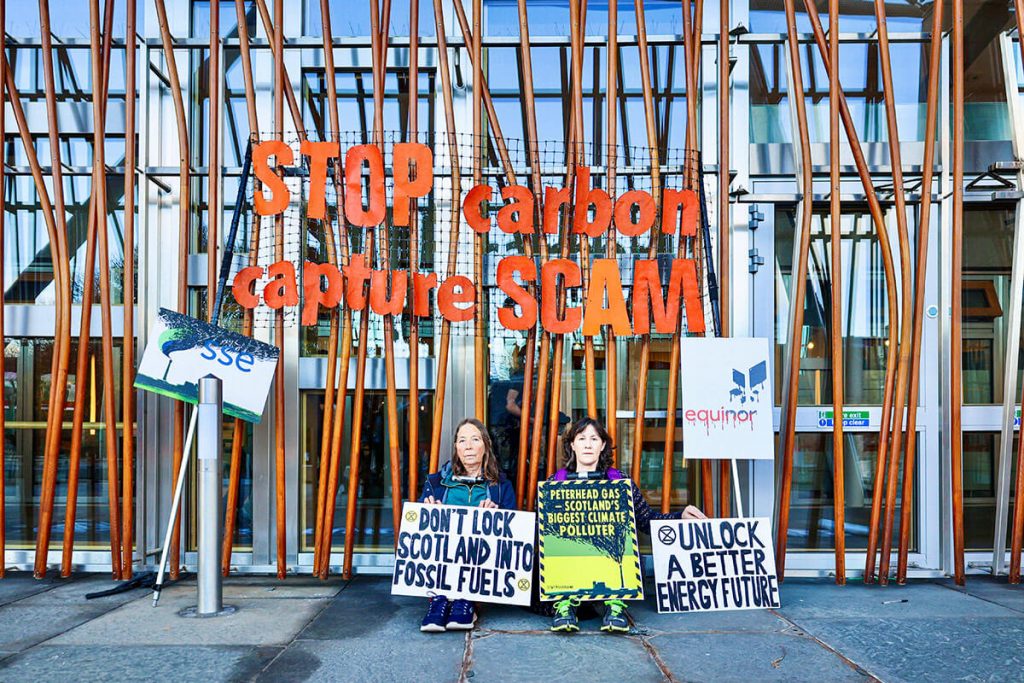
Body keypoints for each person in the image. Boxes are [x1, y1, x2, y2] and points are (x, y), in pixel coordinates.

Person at [547, 416, 706, 634]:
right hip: (571, 560)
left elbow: (645, 520)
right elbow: (544, 532)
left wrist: (679, 517)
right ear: (572, 445)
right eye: (581, 438)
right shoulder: (554, 483)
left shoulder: (620, 482)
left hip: (610, 558)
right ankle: (565, 605)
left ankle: (615, 605)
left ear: (602, 445)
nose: (587, 444)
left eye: (594, 439)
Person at [419, 417, 516, 632]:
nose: (468, 446)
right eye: (462, 441)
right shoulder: (436, 483)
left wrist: (497, 514)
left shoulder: (501, 485)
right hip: (445, 557)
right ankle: (440, 599)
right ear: (455, 447)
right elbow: (418, 526)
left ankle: (466, 600)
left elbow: (514, 528)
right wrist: (428, 508)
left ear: (486, 445)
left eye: (475, 439)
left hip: (480, 559)